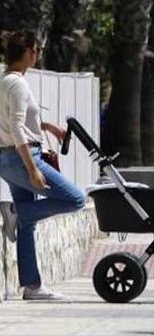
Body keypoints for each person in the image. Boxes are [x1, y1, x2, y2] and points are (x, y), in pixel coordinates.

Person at [0, 32, 86, 300]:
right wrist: (33, 169)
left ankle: (32, 286)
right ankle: (18, 211)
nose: (38, 54)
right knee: (75, 199)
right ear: (27, 52)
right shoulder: (17, 84)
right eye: (36, 50)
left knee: (29, 225)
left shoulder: (5, 80)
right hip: (22, 157)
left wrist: (46, 126)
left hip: (8, 158)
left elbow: (16, 121)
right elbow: (15, 126)